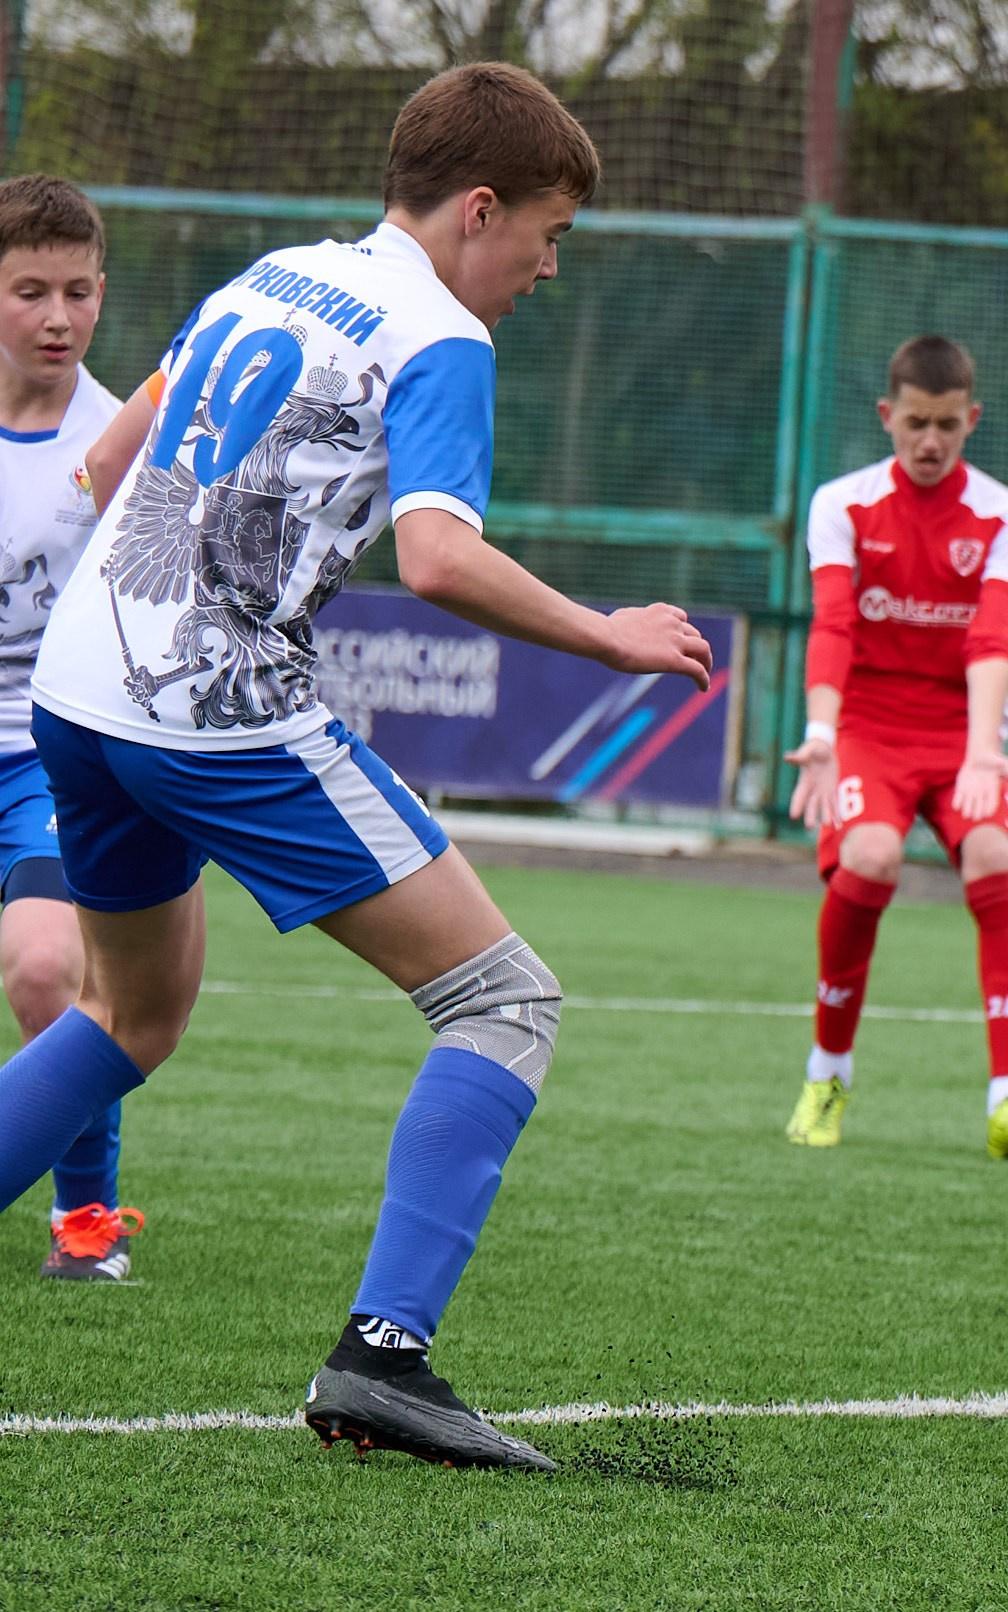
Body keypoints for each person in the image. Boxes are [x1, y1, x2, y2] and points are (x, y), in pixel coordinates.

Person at [0, 63, 712, 1470]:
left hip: (77, 686)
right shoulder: (440, 333)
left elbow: (131, 428)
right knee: (504, 998)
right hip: (214, 710)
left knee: (127, 1016)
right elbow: (436, 557)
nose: (548, 270)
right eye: (548, 236)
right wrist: (610, 636)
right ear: (480, 207)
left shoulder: (281, 271)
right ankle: (384, 1355)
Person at [781, 335, 1008, 1160]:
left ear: (972, 419)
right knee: (868, 860)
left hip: (957, 734)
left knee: (996, 861)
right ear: (886, 417)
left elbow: (992, 639)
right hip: (865, 726)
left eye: (945, 425)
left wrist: (980, 752)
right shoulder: (843, 504)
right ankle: (827, 1074)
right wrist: (822, 736)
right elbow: (832, 623)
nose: (929, 441)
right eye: (914, 423)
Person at [0, 175, 147, 1280]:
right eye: (30, 292)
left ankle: (87, 1223)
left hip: (45, 754)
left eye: (79, 291)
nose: (58, 317)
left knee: (50, 971)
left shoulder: (122, 442)